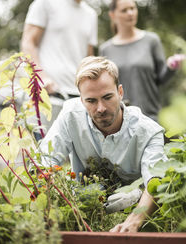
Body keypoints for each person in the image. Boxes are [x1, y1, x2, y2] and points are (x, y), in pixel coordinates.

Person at [39, 56, 168, 233]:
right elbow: (45, 161)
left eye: (107, 97)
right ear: (81, 99)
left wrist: (135, 219)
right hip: (85, 212)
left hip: (136, 214)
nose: (100, 108)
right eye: (91, 101)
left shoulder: (148, 132)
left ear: (120, 92)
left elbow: (157, 181)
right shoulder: (70, 115)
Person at [21, 0, 99, 122]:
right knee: (44, 148)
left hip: (78, 97)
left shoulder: (91, 14)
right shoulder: (47, 1)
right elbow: (28, 43)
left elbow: (89, 58)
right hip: (49, 94)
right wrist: (41, 79)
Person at [99, 0, 185, 121]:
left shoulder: (151, 40)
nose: (130, 13)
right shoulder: (105, 49)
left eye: (133, 8)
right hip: (119, 121)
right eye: (124, 10)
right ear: (113, 15)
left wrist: (171, 67)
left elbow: (161, 78)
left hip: (151, 116)